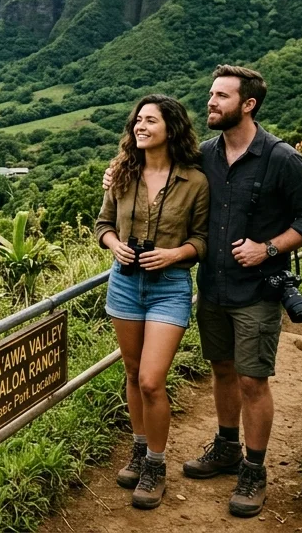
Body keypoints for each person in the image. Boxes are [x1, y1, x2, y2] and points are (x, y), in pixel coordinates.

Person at [105, 65, 302, 517]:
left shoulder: (279, 157)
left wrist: (269, 247)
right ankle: (226, 447)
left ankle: (254, 470)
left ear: (248, 105)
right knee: (223, 371)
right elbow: (154, 177)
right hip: (212, 287)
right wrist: (115, 176)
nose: (211, 102)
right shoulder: (205, 156)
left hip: (257, 289)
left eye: (221, 96)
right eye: (210, 94)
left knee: (252, 379)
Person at [95, 94, 209, 510]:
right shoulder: (123, 174)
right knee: (130, 372)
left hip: (169, 285)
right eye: (137, 121)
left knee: (151, 379)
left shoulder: (194, 181)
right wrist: (114, 246)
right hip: (125, 284)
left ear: (170, 128)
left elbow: (203, 239)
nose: (140, 127)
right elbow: (103, 224)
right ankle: (139, 449)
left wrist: (174, 254)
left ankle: (157, 465)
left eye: (150, 121)